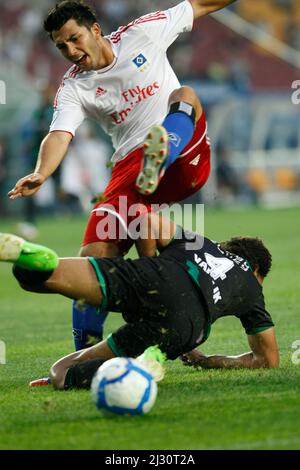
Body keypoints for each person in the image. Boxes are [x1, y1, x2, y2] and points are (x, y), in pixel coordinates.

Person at [8, 0, 238, 350]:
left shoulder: (143, 33)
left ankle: (160, 155)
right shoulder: (74, 87)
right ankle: (83, 358)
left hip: (183, 153)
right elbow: (59, 134)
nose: (70, 50)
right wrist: (41, 172)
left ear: (95, 29)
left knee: (185, 94)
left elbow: (201, 4)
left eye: (74, 38)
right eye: (61, 46)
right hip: (131, 172)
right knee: (93, 264)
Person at [0, 212, 279, 390]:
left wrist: (149, 281)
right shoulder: (252, 288)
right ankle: (142, 367)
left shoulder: (202, 242)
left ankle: (37, 257)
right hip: (186, 327)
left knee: (35, 277)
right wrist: (209, 361)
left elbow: (146, 220)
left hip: (153, 275)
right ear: (256, 271)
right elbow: (268, 360)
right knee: (63, 374)